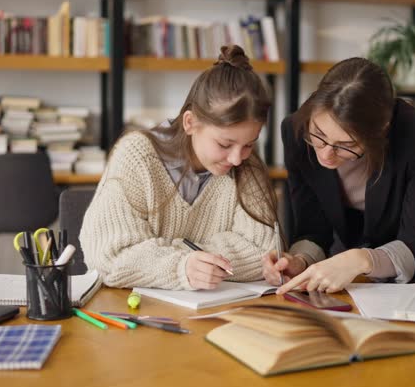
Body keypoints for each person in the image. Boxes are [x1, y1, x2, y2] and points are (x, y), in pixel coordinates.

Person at [80, 45, 278, 290]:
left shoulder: (248, 166)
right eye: (224, 144)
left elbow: (265, 253)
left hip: (215, 311)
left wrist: (171, 253)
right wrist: (181, 266)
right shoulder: (136, 156)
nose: (237, 159)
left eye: (249, 144)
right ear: (190, 122)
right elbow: (108, 257)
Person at [264, 58, 415, 294]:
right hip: (347, 231)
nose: (326, 154)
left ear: (382, 130)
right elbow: (313, 227)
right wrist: (300, 260)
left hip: (404, 237)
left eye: (345, 145)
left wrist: (362, 260)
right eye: (318, 135)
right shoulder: (296, 129)